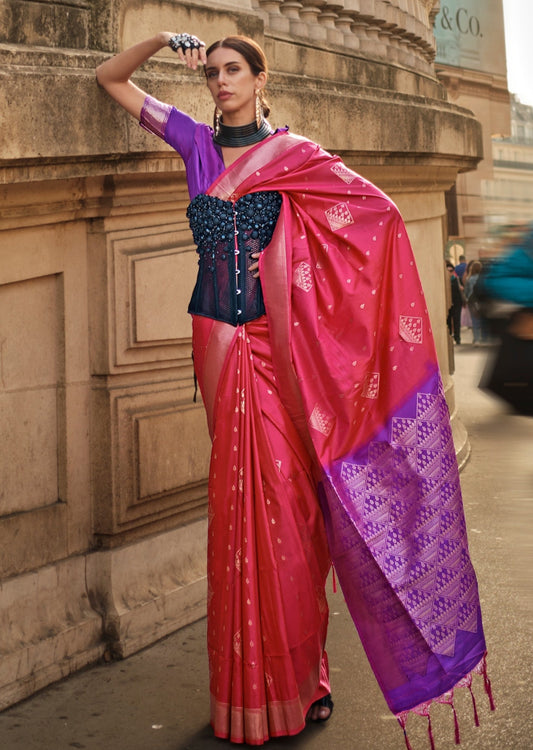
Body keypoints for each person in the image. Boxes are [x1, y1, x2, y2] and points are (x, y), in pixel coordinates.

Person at [96, 32, 492, 746]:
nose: (220, 82)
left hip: (283, 360)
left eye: (232, 71)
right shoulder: (193, 144)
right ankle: (243, 696)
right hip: (219, 351)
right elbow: (110, 77)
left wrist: (320, 312)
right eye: (212, 71)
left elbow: (379, 220)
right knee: (238, 520)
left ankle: (304, 682)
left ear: (258, 78)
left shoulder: (298, 159)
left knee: (292, 523)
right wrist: (159, 42)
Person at [446, 261, 464, 344]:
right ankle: (449, 337)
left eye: (451, 270)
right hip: (447, 305)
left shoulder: (457, 279)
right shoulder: (444, 281)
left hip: (457, 303)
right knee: (448, 321)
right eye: (448, 270)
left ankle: (457, 338)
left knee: (457, 321)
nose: (450, 272)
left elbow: (461, 291)